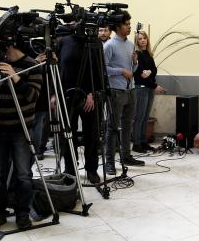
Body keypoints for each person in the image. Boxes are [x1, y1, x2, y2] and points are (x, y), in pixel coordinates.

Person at [0, 43, 42, 233]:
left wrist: (15, 76)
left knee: (23, 174)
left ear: (12, 45)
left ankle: (22, 213)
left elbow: (32, 96)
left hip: (21, 129)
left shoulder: (32, 65)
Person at [57, 30, 104, 185]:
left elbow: (98, 70)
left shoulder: (94, 42)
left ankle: (91, 169)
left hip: (88, 96)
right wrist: (54, 94)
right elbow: (58, 69)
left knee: (91, 133)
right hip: (67, 95)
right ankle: (70, 168)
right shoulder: (64, 41)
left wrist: (92, 93)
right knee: (67, 134)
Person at [103, 12, 144, 174]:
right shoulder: (109, 45)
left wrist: (135, 62)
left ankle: (126, 156)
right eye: (126, 24)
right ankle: (109, 162)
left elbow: (132, 69)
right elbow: (103, 69)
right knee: (112, 127)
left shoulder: (130, 45)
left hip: (130, 90)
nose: (129, 27)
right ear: (117, 27)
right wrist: (121, 71)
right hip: (116, 91)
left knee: (128, 125)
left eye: (129, 24)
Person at [132, 30, 165, 152]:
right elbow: (140, 75)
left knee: (145, 117)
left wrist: (150, 71)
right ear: (136, 41)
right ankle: (136, 144)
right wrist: (155, 85)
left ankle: (143, 141)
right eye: (140, 39)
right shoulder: (137, 54)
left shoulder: (148, 53)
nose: (142, 40)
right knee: (139, 117)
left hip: (150, 88)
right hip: (141, 88)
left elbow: (154, 69)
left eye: (144, 38)